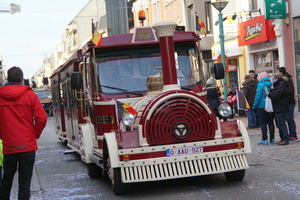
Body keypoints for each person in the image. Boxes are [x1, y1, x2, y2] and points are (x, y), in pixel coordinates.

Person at [0, 66, 48, 200]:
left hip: (9, 146)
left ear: (7, 79)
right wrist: (34, 134)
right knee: (24, 184)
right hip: (27, 146)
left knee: (6, 181)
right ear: (22, 80)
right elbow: (42, 118)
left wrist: (2, 135)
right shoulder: (30, 95)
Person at [252, 71, 275, 145]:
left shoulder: (260, 85)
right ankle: (272, 138)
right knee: (271, 123)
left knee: (263, 123)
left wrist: (254, 106)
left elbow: (258, 97)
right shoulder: (272, 83)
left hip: (262, 106)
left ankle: (264, 139)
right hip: (270, 106)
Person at [277, 67, 298, 142]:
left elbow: (289, 91)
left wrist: (286, 100)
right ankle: (292, 134)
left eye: (278, 72)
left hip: (289, 102)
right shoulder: (288, 79)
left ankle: (293, 135)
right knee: (289, 118)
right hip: (289, 101)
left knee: (289, 118)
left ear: (281, 72)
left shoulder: (286, 80)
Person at [268, 73, 290, 145]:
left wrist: (269, 93)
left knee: (281, 124)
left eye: (273, 79)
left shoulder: (281, 87)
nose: (273, 81)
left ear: (276, 79)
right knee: (279, 124)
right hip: (279, 107)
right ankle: (282, 138)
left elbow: (275, 96)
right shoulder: (279, 86)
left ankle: (285, 139)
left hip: (280, 108)